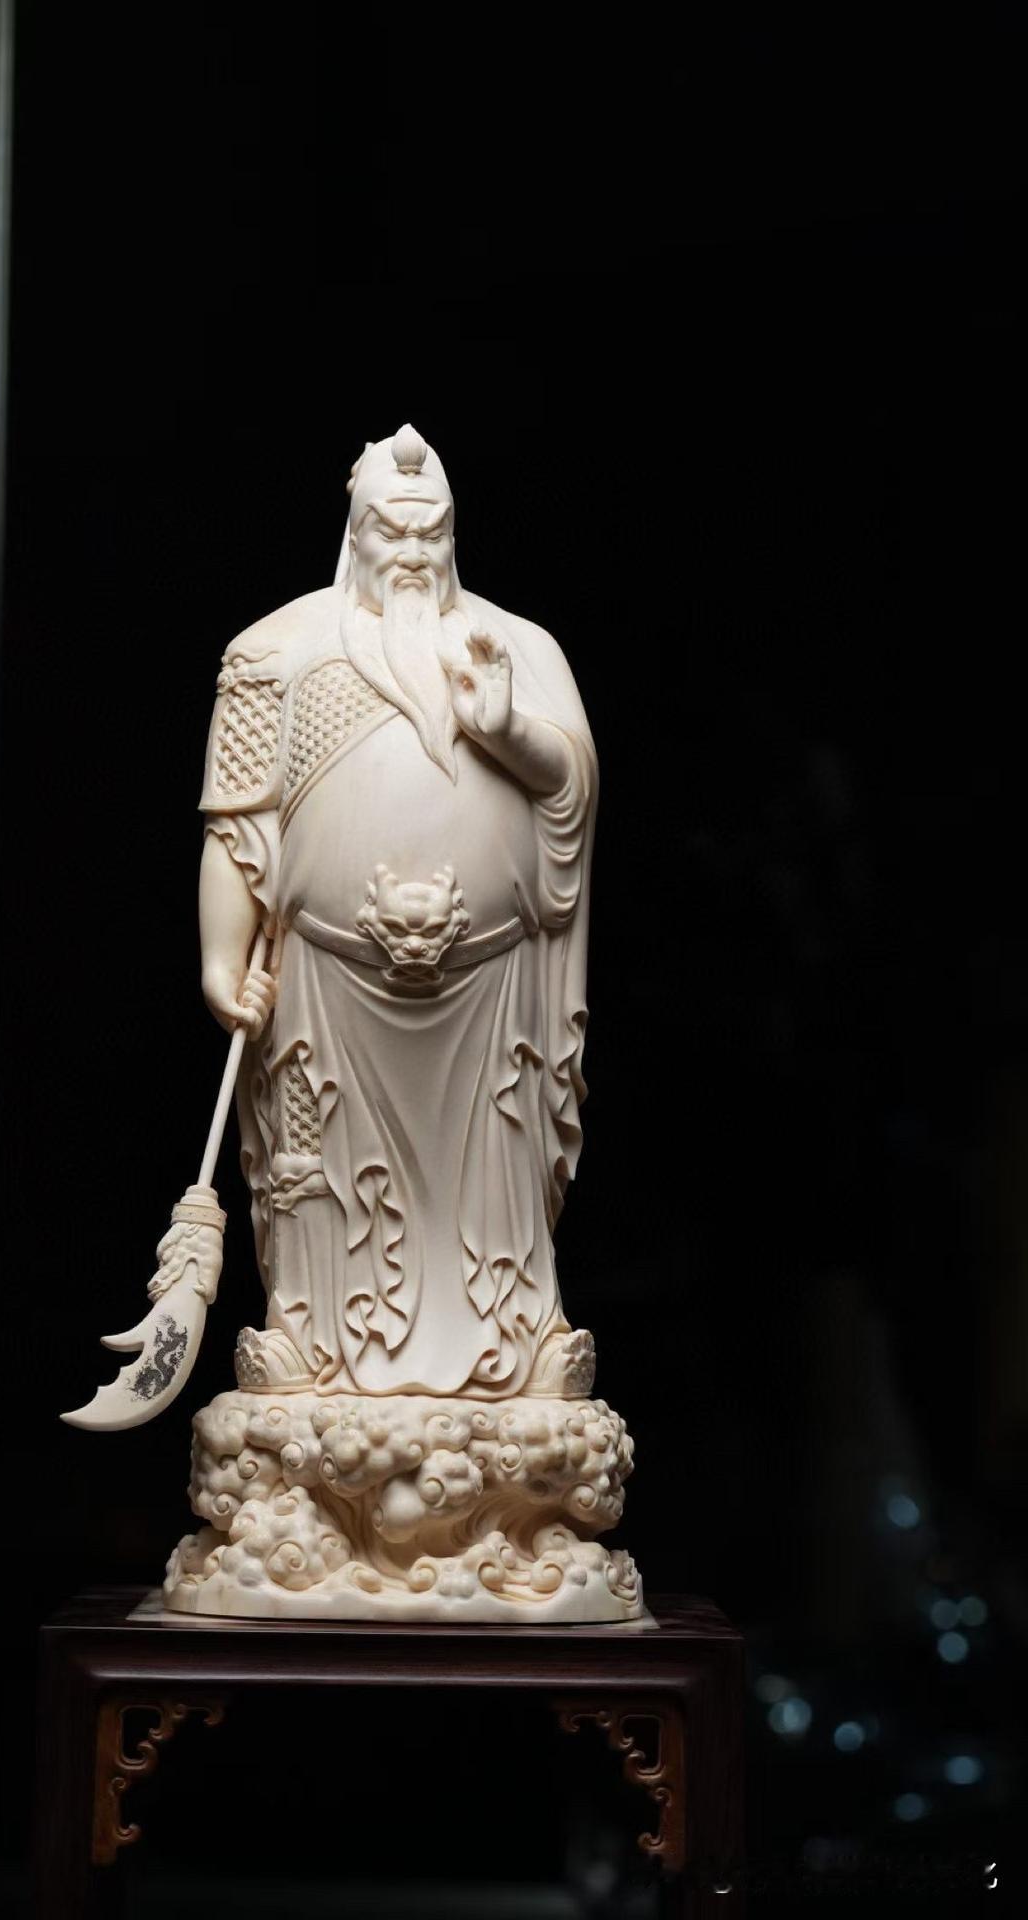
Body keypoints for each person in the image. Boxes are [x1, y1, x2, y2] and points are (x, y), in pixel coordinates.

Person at [198, 423, 598, 1400]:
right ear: (355, 532)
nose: (413, 550)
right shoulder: (274, 653)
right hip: (327, 986)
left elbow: (572, 791)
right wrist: (220, 958)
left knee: (490, 1176)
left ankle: (512, 1342)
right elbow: (236, 825)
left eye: (431, 531)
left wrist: (506, 730)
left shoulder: (517, 648)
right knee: (317, 1172)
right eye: (391, 529)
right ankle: (311, 1341)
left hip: (490, 991)